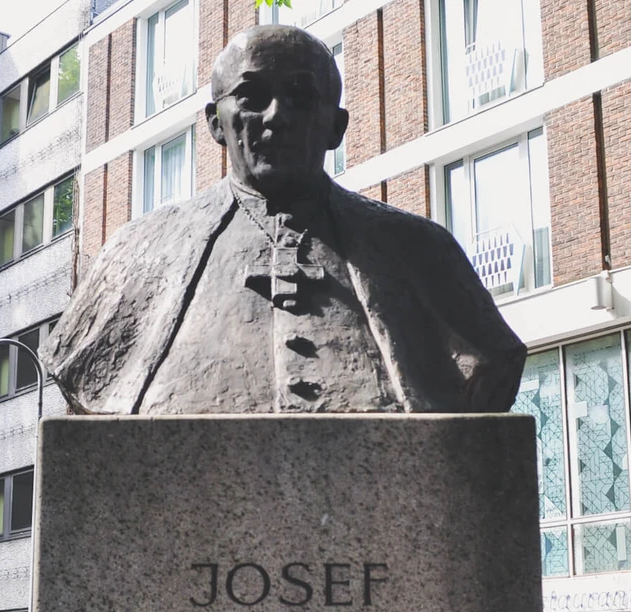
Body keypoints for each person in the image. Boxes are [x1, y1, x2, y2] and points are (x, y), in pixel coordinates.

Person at [42, 25, 525, 415]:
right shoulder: (136, 253)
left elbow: (488, 362)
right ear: (215, 122)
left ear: (336, 127)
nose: (278, 117)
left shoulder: (421, 250)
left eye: (300, 97)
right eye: (252, 97)